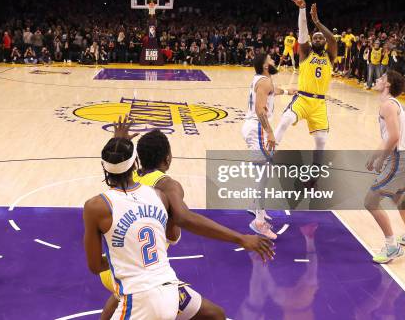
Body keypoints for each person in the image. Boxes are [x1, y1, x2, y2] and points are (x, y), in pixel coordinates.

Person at [98, 119, 275, 320]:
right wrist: (240, 238)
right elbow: (185, 218)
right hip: (138, 274)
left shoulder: (129, 177)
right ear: (167, 159)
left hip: (112, 268)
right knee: (215, 316)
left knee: (122, 291)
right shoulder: (166, 185)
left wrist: (118, 139)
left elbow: (117, 165)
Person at [84, 137, 180, 320]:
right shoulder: (160, 195)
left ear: (103, 167)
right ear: (135, 162)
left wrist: (125, 256)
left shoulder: (96, 206)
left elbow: (95, 266)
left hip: (139, 298)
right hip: (170, 289)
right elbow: (173, 236)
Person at [365, 71, 405, 264]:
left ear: (387, 84)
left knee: (370, 201)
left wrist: (382, 159)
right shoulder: (393, 104)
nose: (378, 79)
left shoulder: (388, 105)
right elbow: (389, 136)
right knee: (398, 197)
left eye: (382, 78)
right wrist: (375, 155)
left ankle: (391, 246)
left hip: (399, 158)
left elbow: (394, 136)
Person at [274, 0, 337, 160]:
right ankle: (268, 155)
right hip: (303, 99)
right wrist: (302, 10)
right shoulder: (305, 53)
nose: (317, 39)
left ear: (324, 41)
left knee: (321, 140)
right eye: (315, 38)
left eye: (320, 38)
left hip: (319, 104)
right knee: (285, 120)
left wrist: (317, 22)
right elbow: (302, 34)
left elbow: (333, 40)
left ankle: (314, 176)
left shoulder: (330, 56)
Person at [242, 52, 295, 238]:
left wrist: (289, 91)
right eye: (271, 59)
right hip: (258, 128)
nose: (274, 61)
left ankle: (255, 206)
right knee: (264, 172)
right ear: (265, 65)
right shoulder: (264, 81)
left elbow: (274, 90)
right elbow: (259, 109)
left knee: (264, 171)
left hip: (253, 128)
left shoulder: (264, 80)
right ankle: (258, 221)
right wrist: (270, 131)